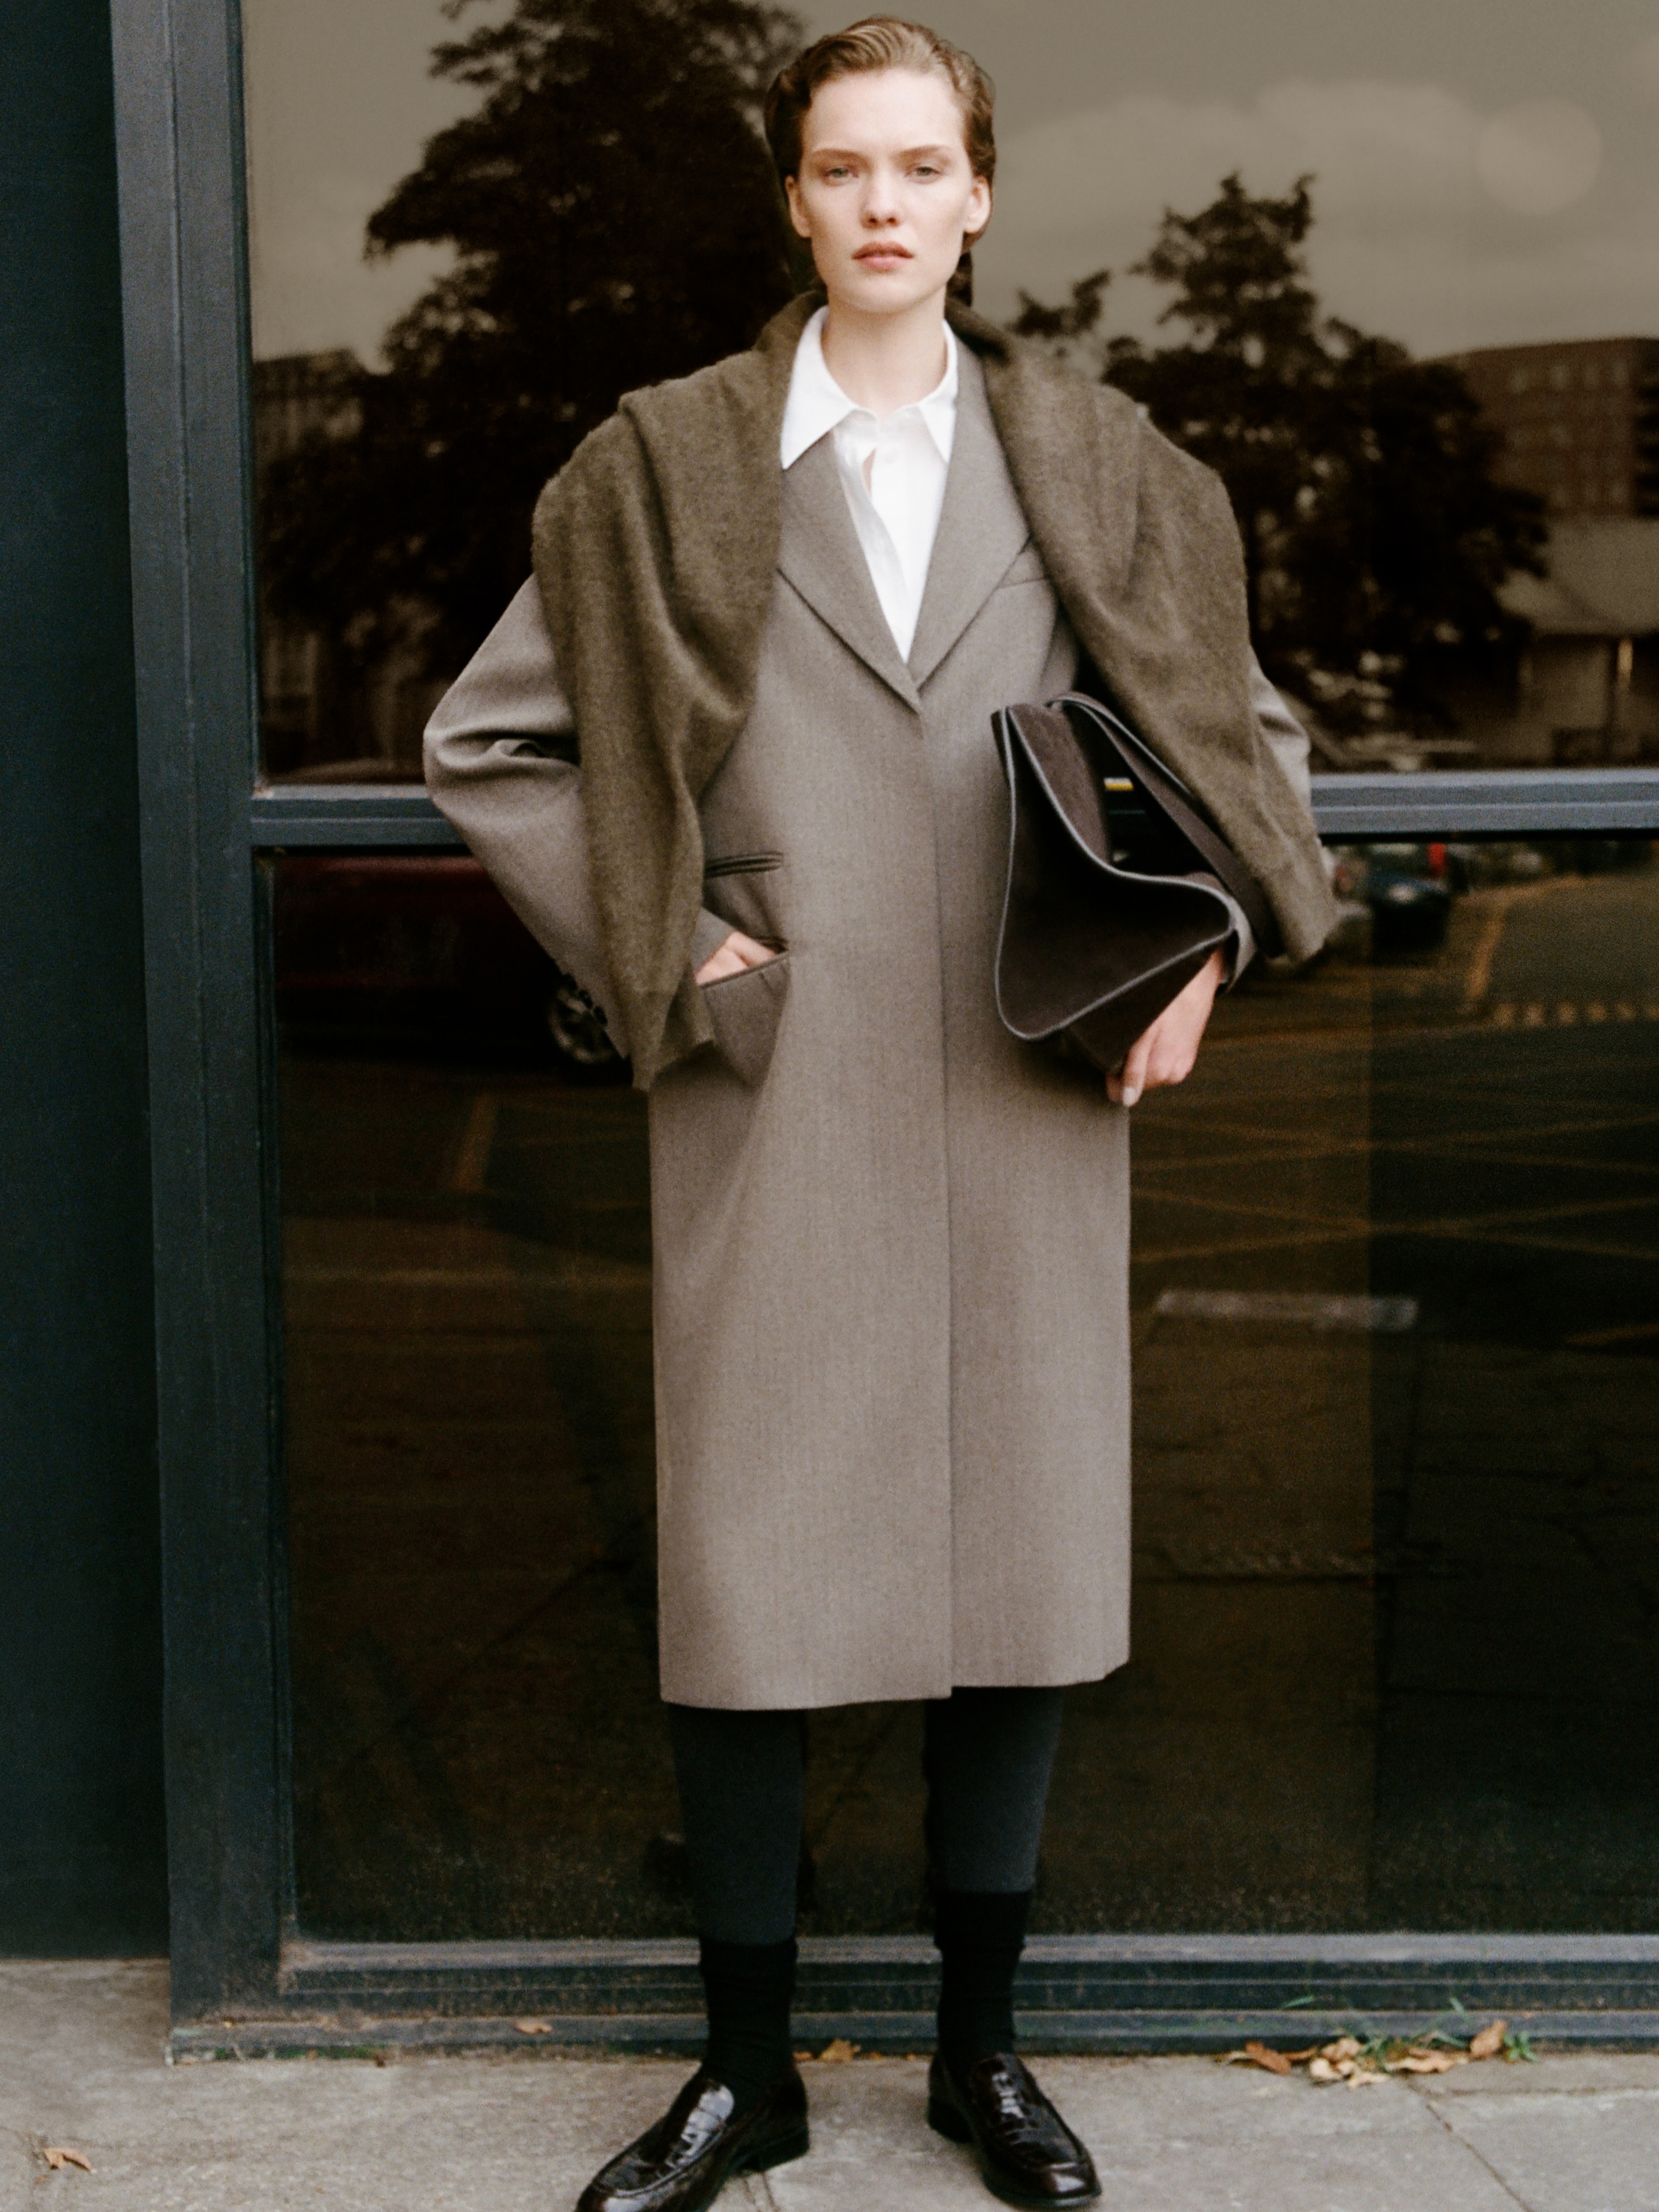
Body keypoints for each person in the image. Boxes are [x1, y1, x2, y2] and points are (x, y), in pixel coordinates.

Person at [426, 18, 1335, 2207]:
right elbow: (490, 744)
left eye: (924, 165)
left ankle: (978, 2061)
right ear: (797, 203)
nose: (885, 205)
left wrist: (1197, 944)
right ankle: (745, 2074)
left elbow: (1251, 742)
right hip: (779, 1093)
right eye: (845, 168)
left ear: (980, 194)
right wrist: (678, 954)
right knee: (750, 1579)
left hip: (1033, 1086)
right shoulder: (667, 465)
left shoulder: (1099, 463)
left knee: (1016, 1568)